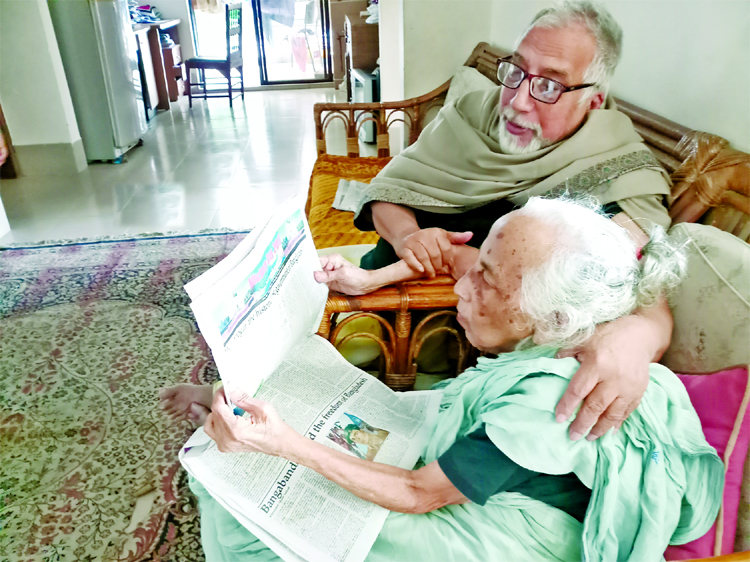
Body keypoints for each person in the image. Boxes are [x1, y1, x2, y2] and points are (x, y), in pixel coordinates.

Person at [191, 196, 722, 561]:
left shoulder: (550, 403)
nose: (464, 286)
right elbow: (456, 257)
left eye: (486, 280)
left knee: (251, 524)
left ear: (549, 317)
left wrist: (287, 444)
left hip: (523, 532)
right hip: (490, 477)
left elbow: (420, 494)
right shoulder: (576, 312)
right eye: (481, 263)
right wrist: (370, 276)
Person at [350, 0, 675, 441]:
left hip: (439, 348)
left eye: (548, 86)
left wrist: (639, 338)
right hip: (370, 296)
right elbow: (387, 190)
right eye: (517, 72)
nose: (518, 101)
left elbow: (645, 294)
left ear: (593, 99)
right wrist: (408, 235)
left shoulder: (621, 174)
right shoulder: (472, 112)